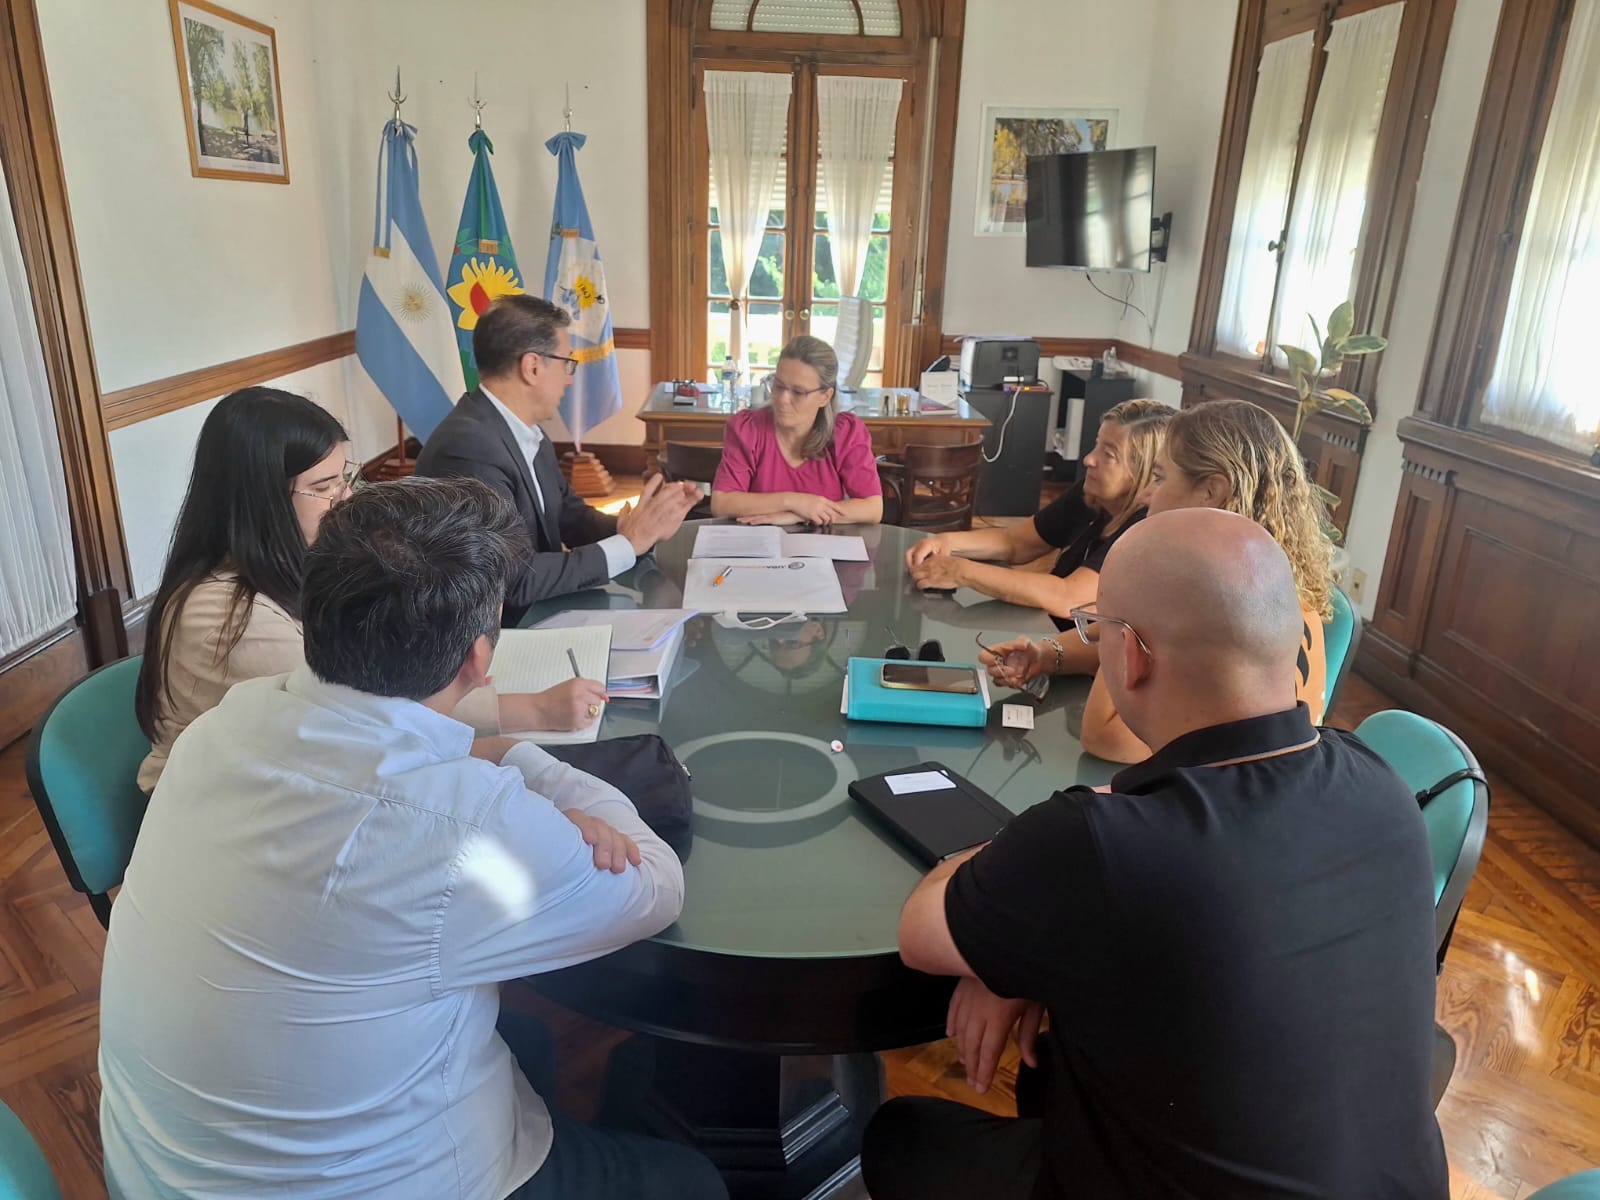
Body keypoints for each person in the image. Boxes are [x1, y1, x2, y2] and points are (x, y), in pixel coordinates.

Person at [101, 477, 727, 1200]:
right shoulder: (462, 829)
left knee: (523, 1041)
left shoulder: (220, 728)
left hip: (155, 1168)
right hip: (368, 1184)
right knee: (691, 1181)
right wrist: (531, 765)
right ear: (478, 660)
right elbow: (655, 887)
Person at [861, 508, 1448, 1200]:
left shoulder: (1097, 844)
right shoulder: (1378, 781)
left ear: (1132, 657)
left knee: (901, 1134)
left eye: (1098, 630)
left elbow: (922, 932)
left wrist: (1021, 894)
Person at [134, 387, 606, 793]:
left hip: (320, 775)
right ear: (261, 502)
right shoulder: (226, 616)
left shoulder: (293, 565)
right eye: (324, 486)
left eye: (346, 478)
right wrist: (534, 709)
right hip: (241, 810)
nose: (345, 499)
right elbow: (369, 714)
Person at [986, 397, 1334, 761]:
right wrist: (1049, 654)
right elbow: (1137, 648)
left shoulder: (1214, 609)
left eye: (1160, 477)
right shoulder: (1269, 587)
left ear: (1211, 492)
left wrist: (1134, 603)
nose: (1146, 495)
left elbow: (1105, 735)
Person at [415, 295, 702, 623]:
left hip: (543, 611)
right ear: (533, 367)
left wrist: (634, 528)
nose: (569, 378)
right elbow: (514, 580)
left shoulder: (524, 430)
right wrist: (628, 543)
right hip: (494, 635)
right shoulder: (469, 447)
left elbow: (569, 515)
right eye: (566, 363)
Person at [905, 399, 1170, 665]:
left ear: (1145, 472)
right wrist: (947, 541)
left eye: (1108, 455)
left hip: (1077, 660)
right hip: (1047, 641)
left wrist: (961, 571)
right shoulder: (1093, 493)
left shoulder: (1142, 529)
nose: (1089, 459)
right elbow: (1018, 542)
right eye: (1096, 444)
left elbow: (1068, 597)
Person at [709, 334, 884, 526]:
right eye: (778, 386)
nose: (783, 399)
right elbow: (722, 503)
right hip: (759, 542)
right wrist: (795, 502)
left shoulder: (845, 433)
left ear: (825, 396)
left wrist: (800, 516)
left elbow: (872, 508)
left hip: (823, 543)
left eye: (798, 392)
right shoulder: (748, 429)